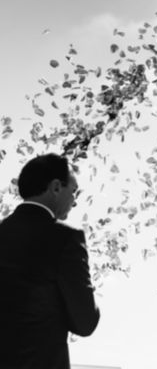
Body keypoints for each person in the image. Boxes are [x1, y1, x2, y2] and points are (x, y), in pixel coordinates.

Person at [0, 154, 100, 369]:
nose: (74, 201)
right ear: (56, 187)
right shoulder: (65, 240)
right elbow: (85, 323)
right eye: (73, 192)